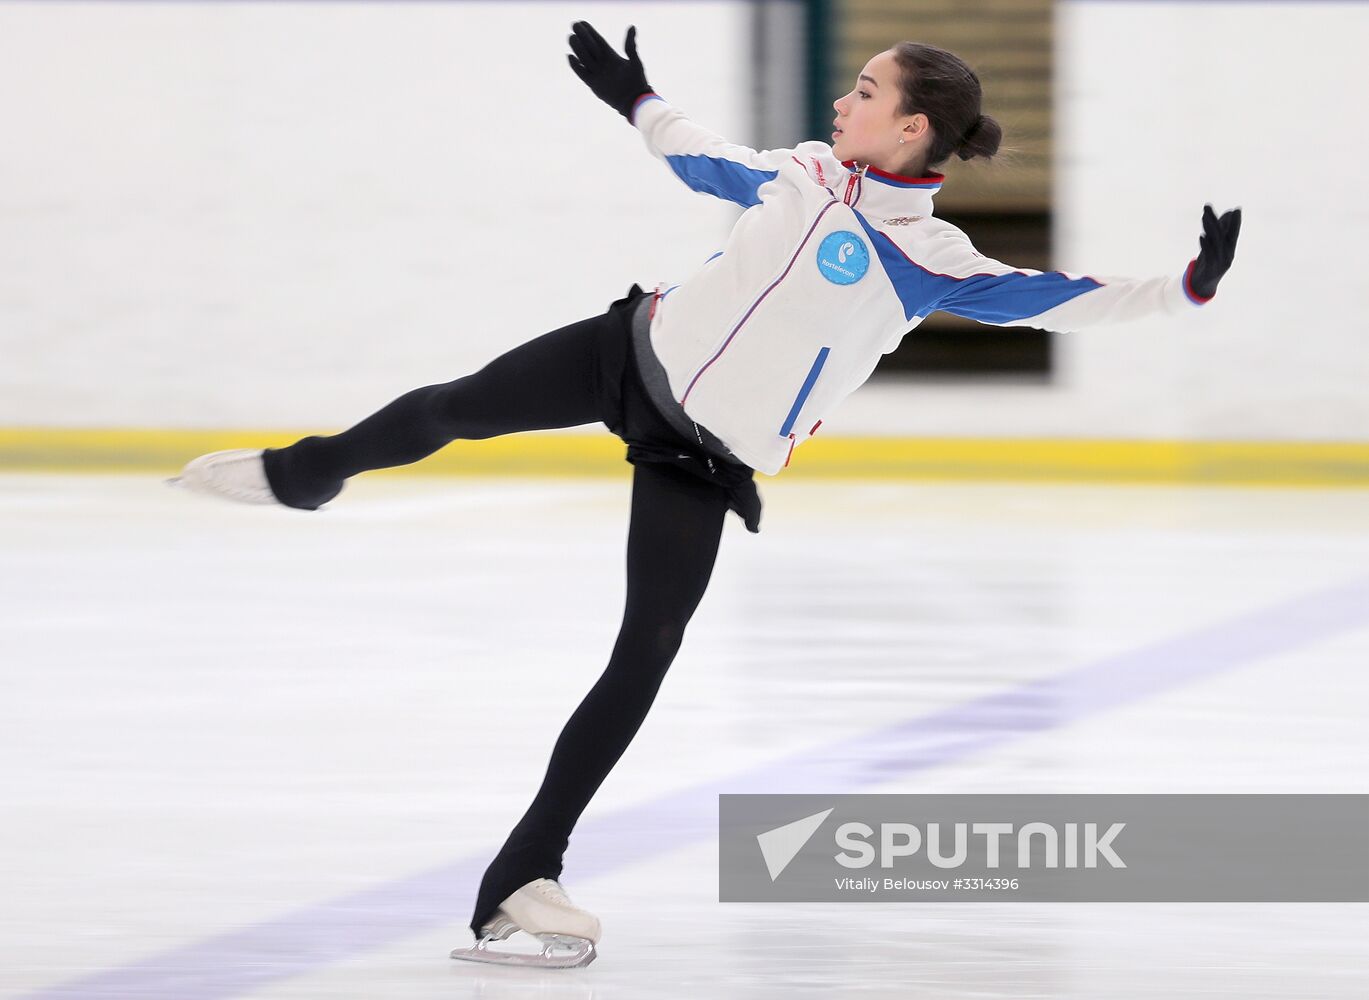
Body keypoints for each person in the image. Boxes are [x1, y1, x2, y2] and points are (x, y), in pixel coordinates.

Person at [169, 20, 1242, 969]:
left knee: (646, 647)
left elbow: (1063, 300)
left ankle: (519, 877)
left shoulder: (932, 258)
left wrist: (1181, 287)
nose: (842, 100)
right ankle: (305, 473)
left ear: (911, 128)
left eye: (864, 91)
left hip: (700, 452)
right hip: (625, 351)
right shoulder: (805, 172)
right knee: (454, 405)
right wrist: (638, 101)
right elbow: (706, 162)